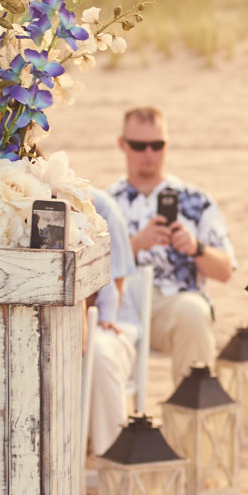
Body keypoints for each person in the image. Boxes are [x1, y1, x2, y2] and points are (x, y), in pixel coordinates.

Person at [108, 107, 236, 389]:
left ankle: (192, 427)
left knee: (193, 312)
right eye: (139, 146)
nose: (149, 154)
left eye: (158, 145)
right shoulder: (106, 203)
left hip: (173, 303)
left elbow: (226, 270)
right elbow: (88, 269)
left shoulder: (194, 199)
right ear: (122, 145)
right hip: (119, 302)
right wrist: (135, 244)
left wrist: (195, 248)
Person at [86, 185, 142, 459]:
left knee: (97, 353)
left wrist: (100, 318)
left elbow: (115, 279)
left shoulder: (97, 204)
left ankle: (113, 462)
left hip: (107, 316)